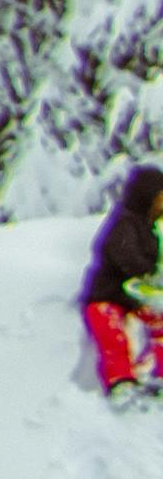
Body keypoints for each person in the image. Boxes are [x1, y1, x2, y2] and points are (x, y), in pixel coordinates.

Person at [80, 166, 163, 392]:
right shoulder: (124, 222)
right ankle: (121, 381)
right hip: (106, 296)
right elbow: (125, 256)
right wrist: (149, 273)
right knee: (112, 334)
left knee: (160, 322)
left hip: (132, 296)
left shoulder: (148, 226)